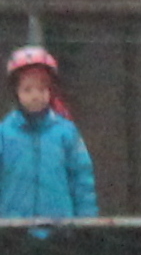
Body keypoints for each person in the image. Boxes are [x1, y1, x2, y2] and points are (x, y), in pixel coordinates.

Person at [2, 46, 97, 221]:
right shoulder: (4, 134)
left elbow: (82, 179)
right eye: (27, 89)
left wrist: (87, 222)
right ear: (16, 92)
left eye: (42, 89)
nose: (35, 96)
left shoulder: (66, 132)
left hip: (60, 227)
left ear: (50, 91)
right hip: (12, 227)